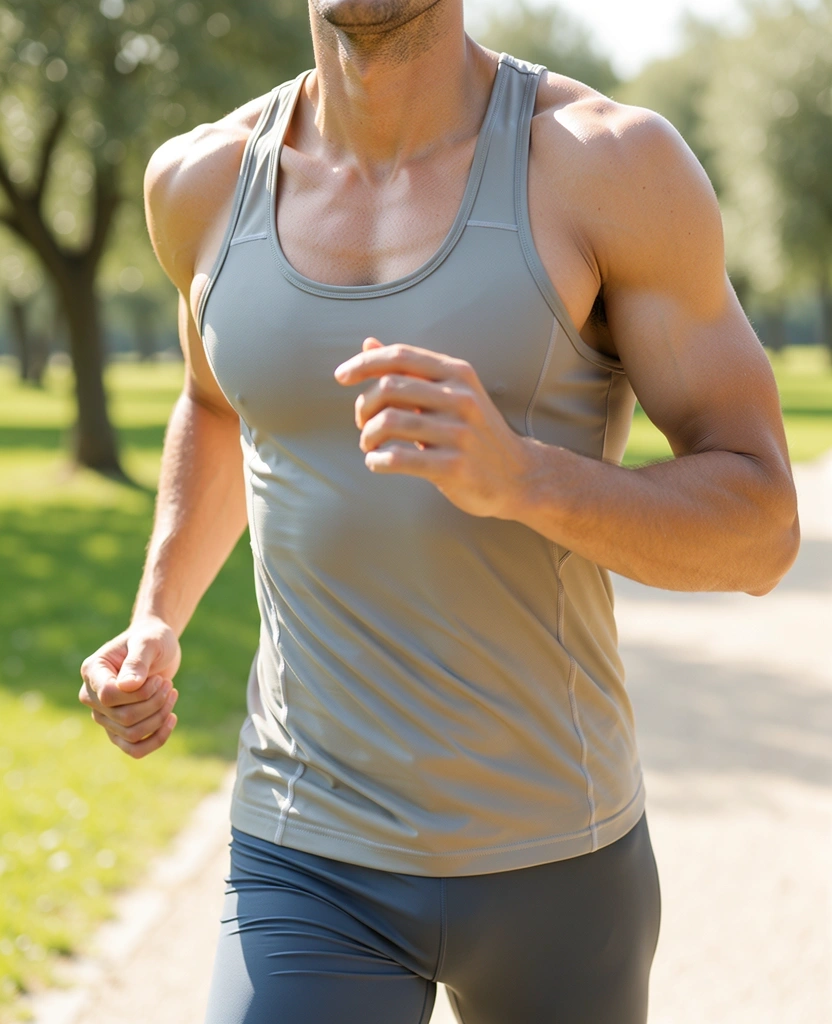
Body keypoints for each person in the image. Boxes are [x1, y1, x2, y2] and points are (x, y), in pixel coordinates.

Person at [79, 2, 799, 1021]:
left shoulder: (605, 164)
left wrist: (526, 476)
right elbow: (216, 400)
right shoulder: (200, 181)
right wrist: (159, 614)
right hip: (307, 843)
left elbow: (761, 526)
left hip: (558, 848)